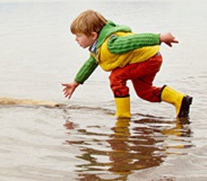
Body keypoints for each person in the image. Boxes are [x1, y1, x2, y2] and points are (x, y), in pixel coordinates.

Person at [61, 9, 192, 119]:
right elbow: (90, 63)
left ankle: (123, 116)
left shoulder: (112, 43)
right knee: (144, 92)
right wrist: (76, 82)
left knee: (116, 77)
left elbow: (135, 40)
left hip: (149, 60)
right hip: (149, 59)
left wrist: (159, 38)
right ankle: (179, 99)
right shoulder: (98, 48)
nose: (75, 39)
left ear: (93, 35)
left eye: (78, 36)